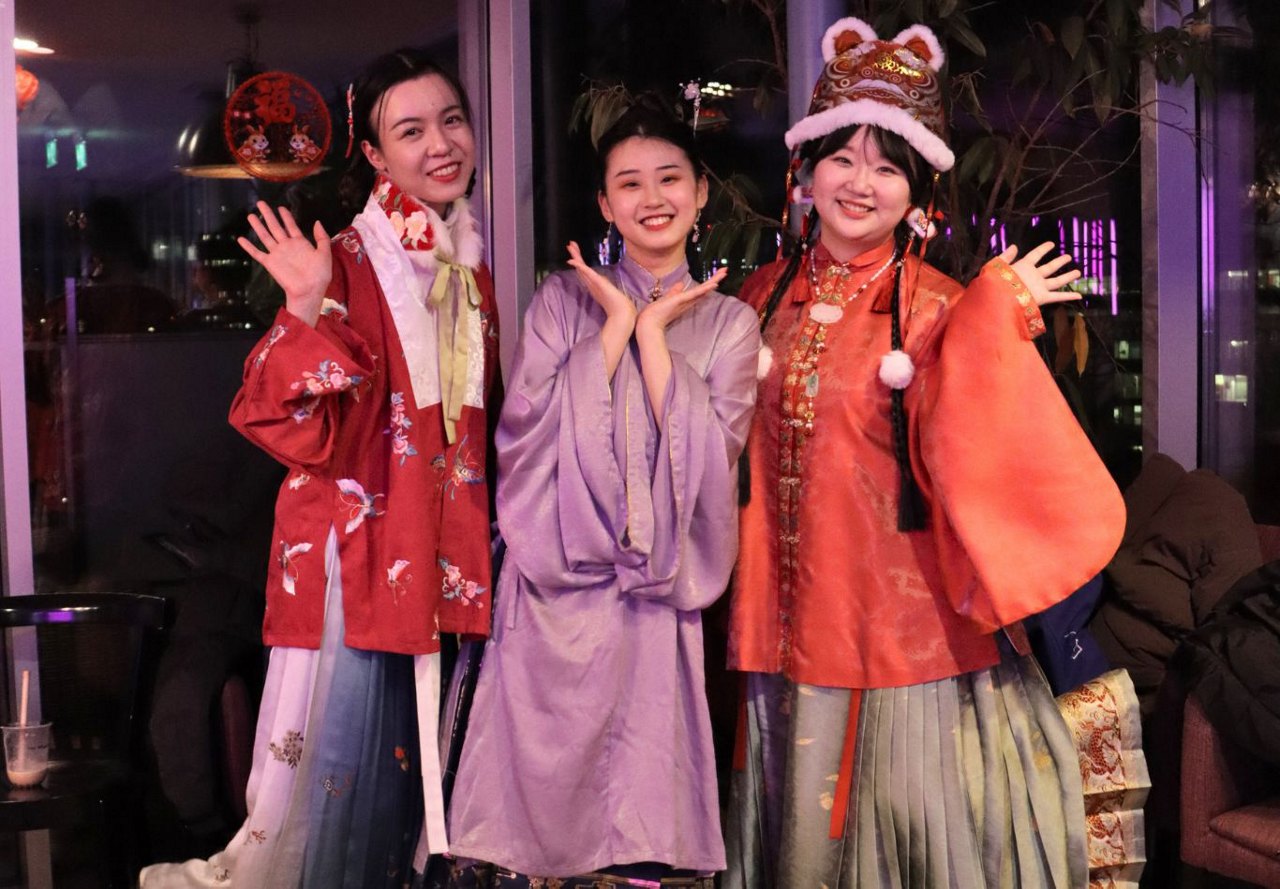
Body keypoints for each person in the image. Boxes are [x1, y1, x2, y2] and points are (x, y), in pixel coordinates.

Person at [724, 18, 1128, 888]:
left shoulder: (939, 305)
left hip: (895, 620)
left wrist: (991, 318)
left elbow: (970, 439)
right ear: (805, 173)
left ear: (917, 191)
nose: (858, 182)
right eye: (842, 157)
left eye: (886, 164)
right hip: (778, 605)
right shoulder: (762, 294)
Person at [141, 47, 500, 888]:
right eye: (409, 131)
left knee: (415, 785)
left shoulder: (467, 268)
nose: (440, 143)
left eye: (451, 120)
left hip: (437, 550)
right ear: (374, 156)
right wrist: (304, 307)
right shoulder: (342, 257)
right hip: (356, 557)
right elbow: (274, 418)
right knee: (338, 787)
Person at [445, 103, 761, 888]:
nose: (651, 197)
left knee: (639, 828)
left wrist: (653, 338)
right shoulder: (562, 301)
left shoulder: (732, 322)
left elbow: (709, 465)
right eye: (630, 183)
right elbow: (524, 439)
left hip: (654, 594)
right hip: (550, 592)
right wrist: (614, 327)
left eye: (669, 179)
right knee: (531, 829)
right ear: (605, 204)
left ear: (699, 194)